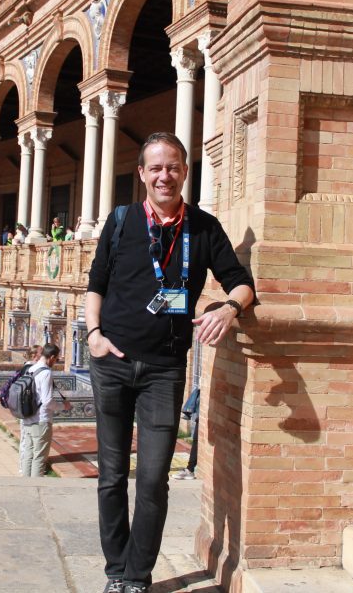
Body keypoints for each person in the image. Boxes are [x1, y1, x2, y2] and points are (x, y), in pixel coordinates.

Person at [85, 132, 255, 593]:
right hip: (113, 363)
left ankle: (137, 577)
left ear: (184, 171)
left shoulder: (202, 228)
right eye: (155, 167)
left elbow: (242, 283)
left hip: (164, 370)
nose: (165, 175)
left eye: (173, 166)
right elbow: (96, 282)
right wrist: (94, 336)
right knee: (112, 475)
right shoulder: (120, 221)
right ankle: (115, 571)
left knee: (154, 477)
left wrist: (228, 308)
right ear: (142, 174)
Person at [20, 344, 71, 477]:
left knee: (28, 455)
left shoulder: (31, 368)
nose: (56, 362)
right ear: (52, 357)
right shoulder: (46, 373)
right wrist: (63, 407)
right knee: (39, 458)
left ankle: (24, 486)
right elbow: (47, 401)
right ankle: (37, 488)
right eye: (57, 359)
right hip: (41, 421)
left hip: (28, 418)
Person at [17, 345, 42, 474]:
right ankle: (23, 468)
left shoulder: (26, 367)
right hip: (27, 409)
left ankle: (24, 466)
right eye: (40, 353)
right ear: (34, 356)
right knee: (26, 440)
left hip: (24, 408)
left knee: (26, 438)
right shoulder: (30, 368)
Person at [172, 386, 200, 481]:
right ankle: (190, 469)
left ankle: (190, 469)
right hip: (201, 414)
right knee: (196, 441)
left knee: (197, 441)